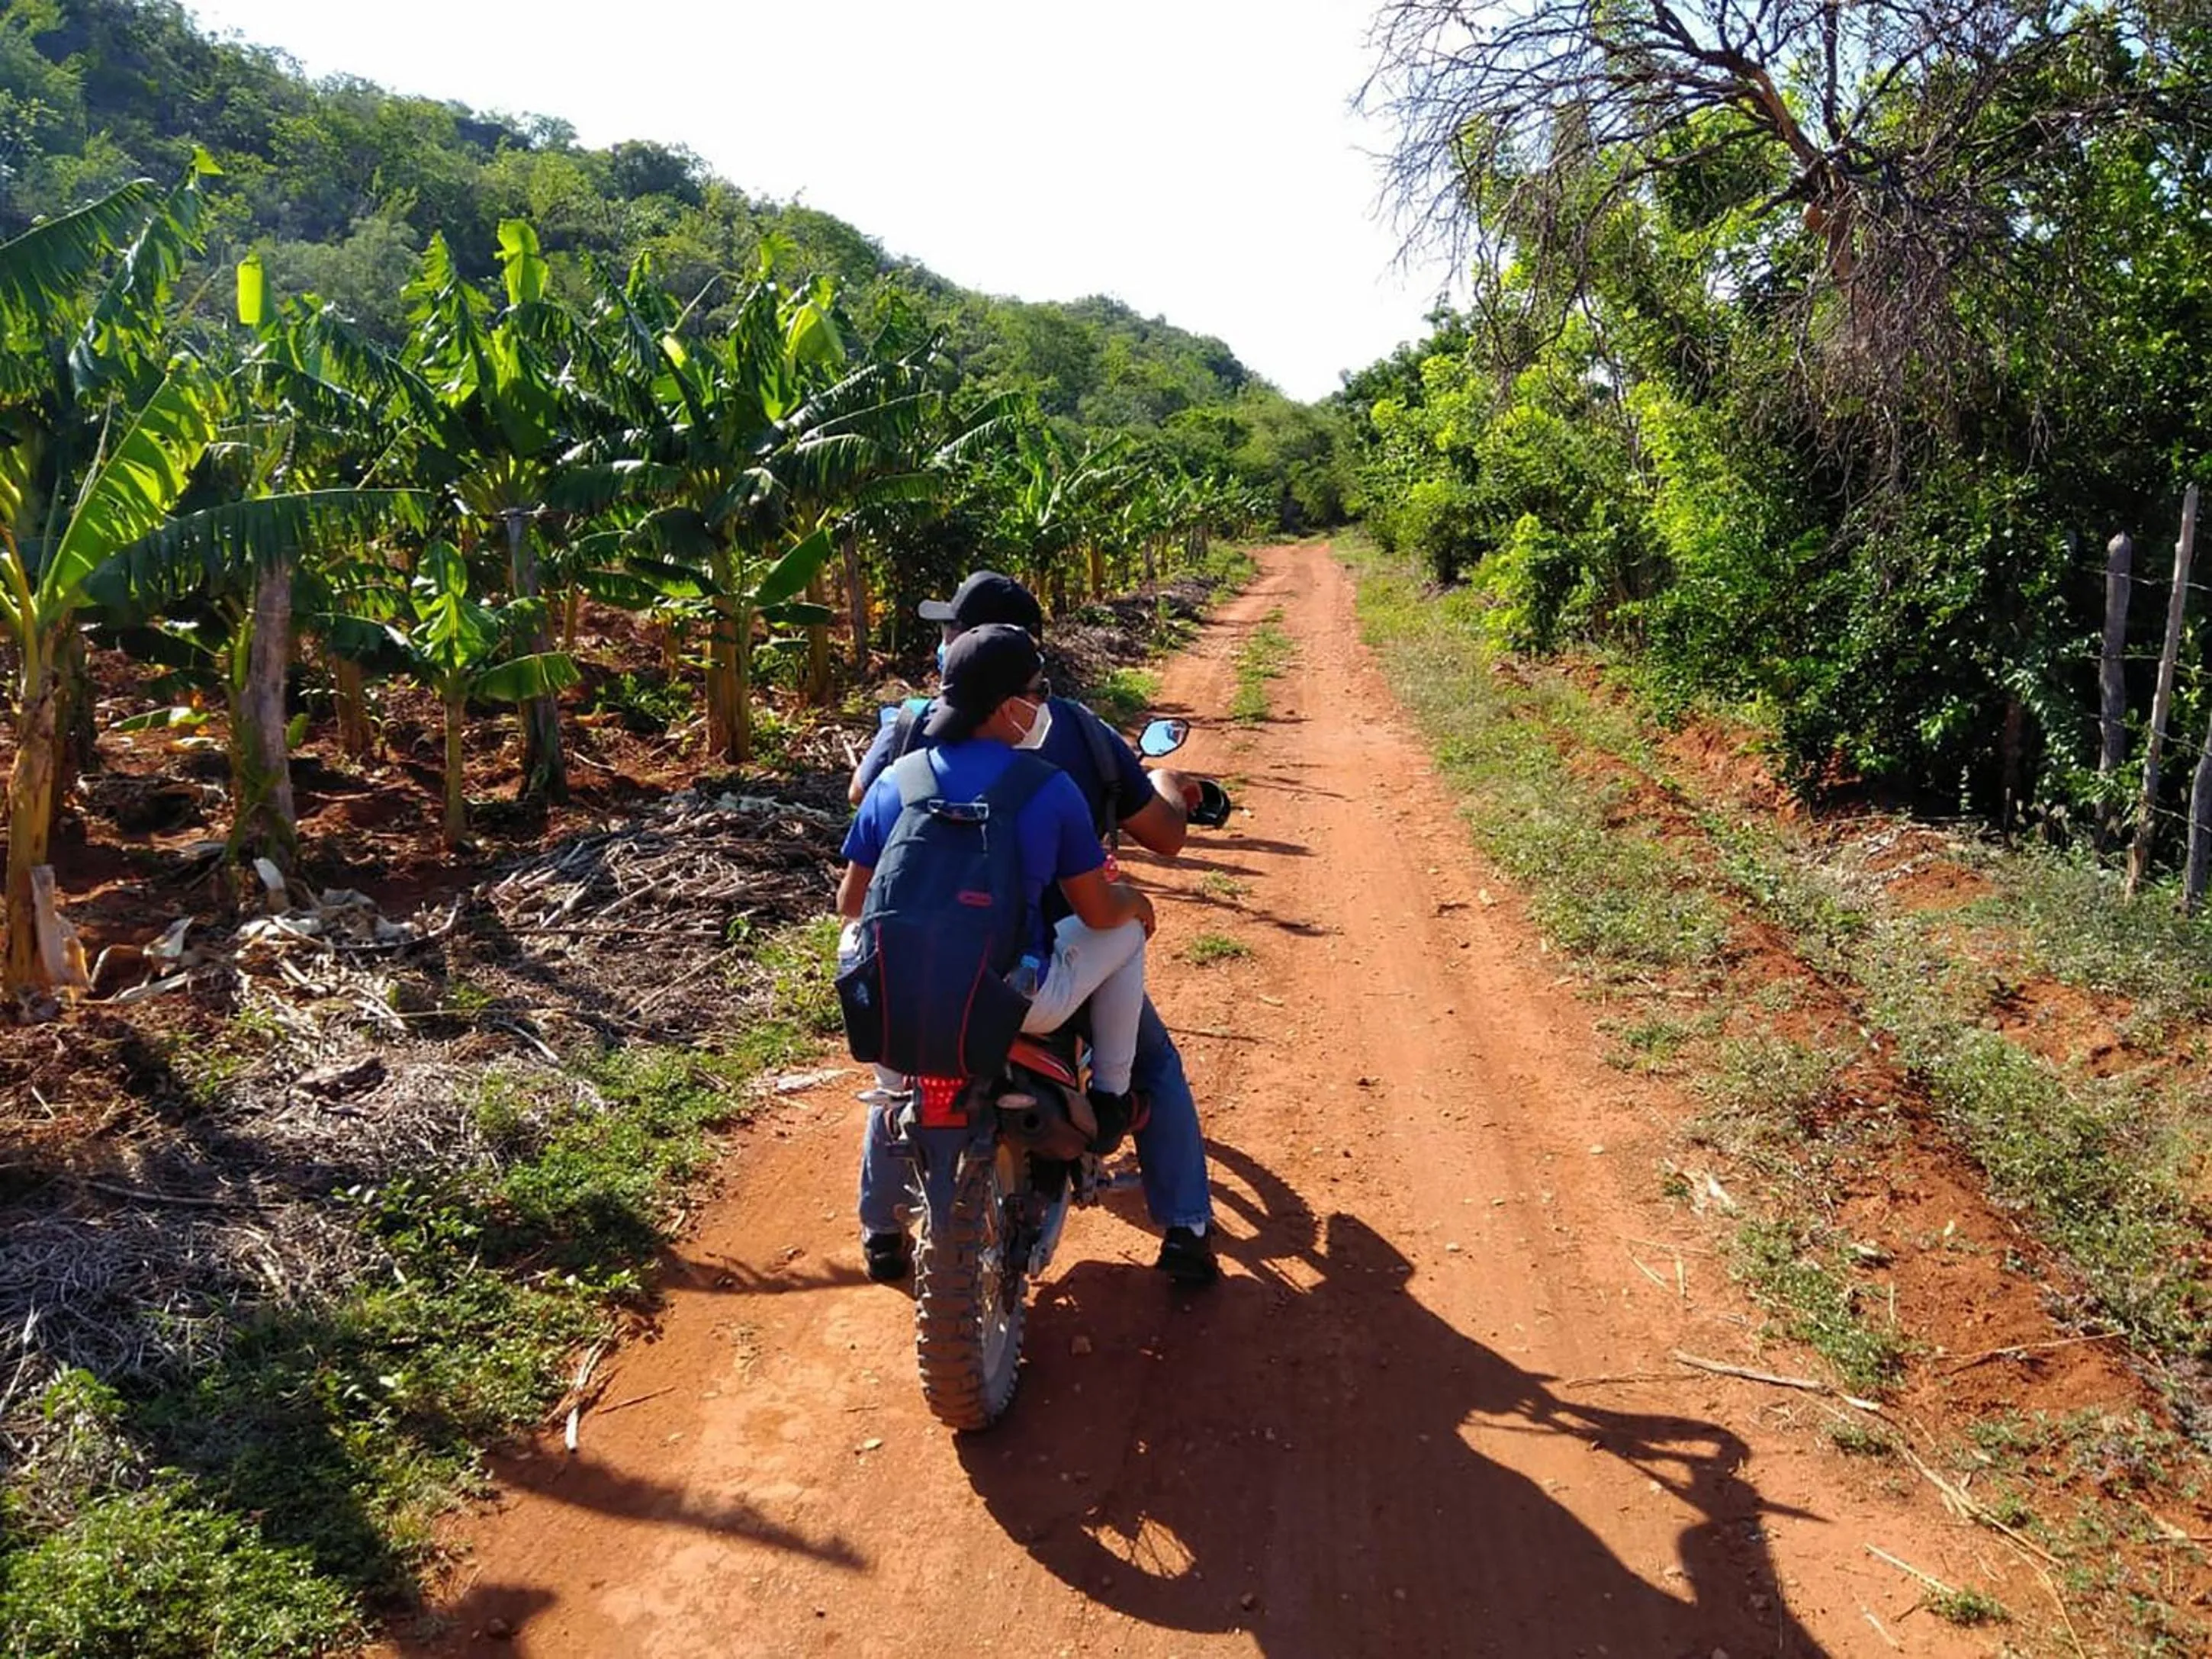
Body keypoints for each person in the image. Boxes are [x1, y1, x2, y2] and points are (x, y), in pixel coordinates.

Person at [848, 570, 1219, 1286]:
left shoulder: (906, 736)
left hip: (917, 964)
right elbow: (1152, 847)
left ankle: (880, 1230)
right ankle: (1181, 1220)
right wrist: (1168, 803)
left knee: (898, 1073)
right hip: (1034, 963)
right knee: (1156, 1064)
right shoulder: (1074, 733)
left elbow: (858, 838)